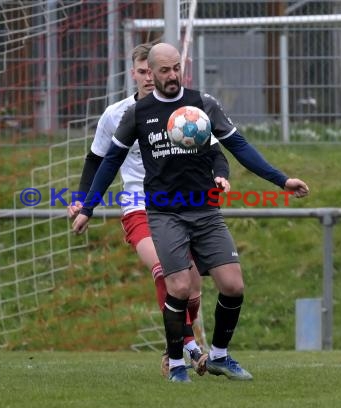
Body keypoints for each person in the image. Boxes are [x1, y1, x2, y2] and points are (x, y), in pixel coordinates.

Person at [72, 42, 310, 382]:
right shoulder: (134, 114)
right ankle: (179, 360)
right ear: (148, 74)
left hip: (205, 211)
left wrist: (281, 180)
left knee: (231, 285)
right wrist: (88, 206)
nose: (171, 76)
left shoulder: (201, 106)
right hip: (162, 212)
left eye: (175, 69)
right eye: (163, 70)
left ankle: (218, 356)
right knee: (177, 285)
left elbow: (236, 147)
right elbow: (106, 161)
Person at [67, 43, 232, 377]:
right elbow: (97, 159)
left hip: (183, 206)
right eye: (141, 72)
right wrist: (85, 201)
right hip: (137, 205)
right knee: (162, 270)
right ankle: (189, 349)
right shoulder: (118, 115)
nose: (147, 78)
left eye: (151, 71)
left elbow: (214, 150)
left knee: (191, 287)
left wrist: (217, 175)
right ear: (135, 73)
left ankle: (176, 344)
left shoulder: (184, 112)